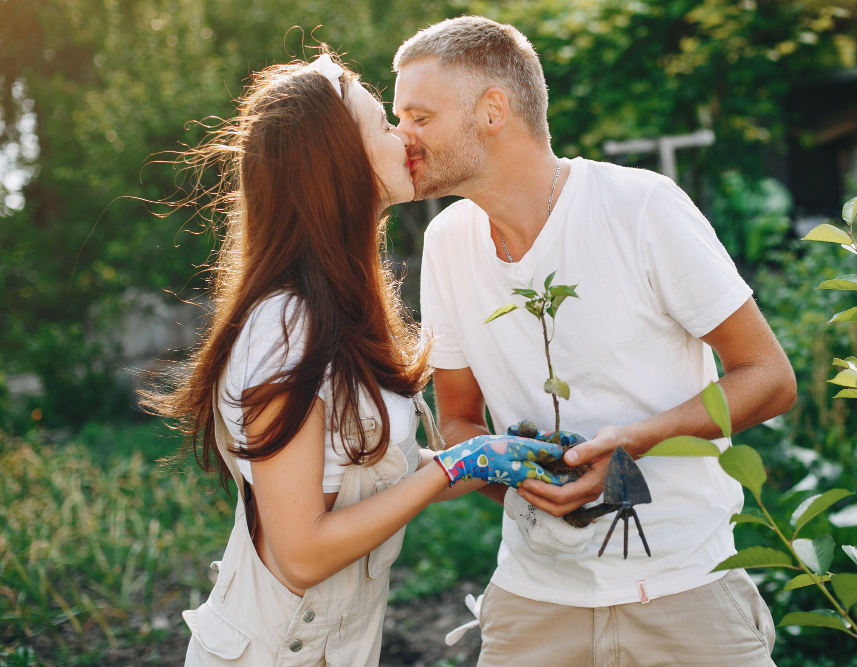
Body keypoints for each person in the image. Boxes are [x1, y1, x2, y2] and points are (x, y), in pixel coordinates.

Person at [143, 49, 568, 667]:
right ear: (338, 164)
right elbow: (301, 554)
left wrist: (497, 458)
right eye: (384, 125)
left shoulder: (339, 308)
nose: (405, 137)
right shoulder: (284, 329)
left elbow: (368, 477)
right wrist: (455, 468)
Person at [393, 17, 798, 666]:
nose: (401, 137)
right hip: (534, 602)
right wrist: (528, 482)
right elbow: (459, 421)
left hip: (685, 590)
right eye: (397, 119)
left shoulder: (640, 207)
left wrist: (633, 441)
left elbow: (769, 377)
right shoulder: (447, 243)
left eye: (419, 117)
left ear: (492, 110)